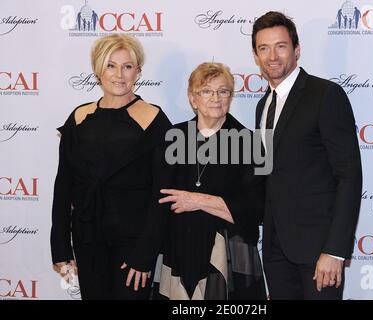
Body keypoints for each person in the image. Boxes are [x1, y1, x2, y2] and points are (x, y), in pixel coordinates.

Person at [50, 34, 172, 300]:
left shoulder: (155, 120)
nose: (119, 74)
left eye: (127, 66)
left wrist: (145, 253)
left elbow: (162, 196)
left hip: (133, 245)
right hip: (87, 239)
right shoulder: (79, 117)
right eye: (111, 65)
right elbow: (64, 185)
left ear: (138, 71)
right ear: (98, 70)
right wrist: (60, 247)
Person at [252, 11, 362, 299]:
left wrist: (335, 250)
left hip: (318, 253)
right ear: (256, 56)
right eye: (263, 48)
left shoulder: (325, 95)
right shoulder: (262, 105)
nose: (272, 56)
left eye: (280, 46)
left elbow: (349, 175)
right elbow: (266, 173)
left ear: (296, 50)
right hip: (276, 252)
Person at [141, 62, 266, 300]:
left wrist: (197, 200)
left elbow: (258, 209)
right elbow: (158, 203)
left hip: (228, 255)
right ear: (192, 98)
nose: (216, 98)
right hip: (177, 251)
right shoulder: (171, 139)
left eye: (223, 91)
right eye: (206, 91)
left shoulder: (251, 143)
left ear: (231, 97)